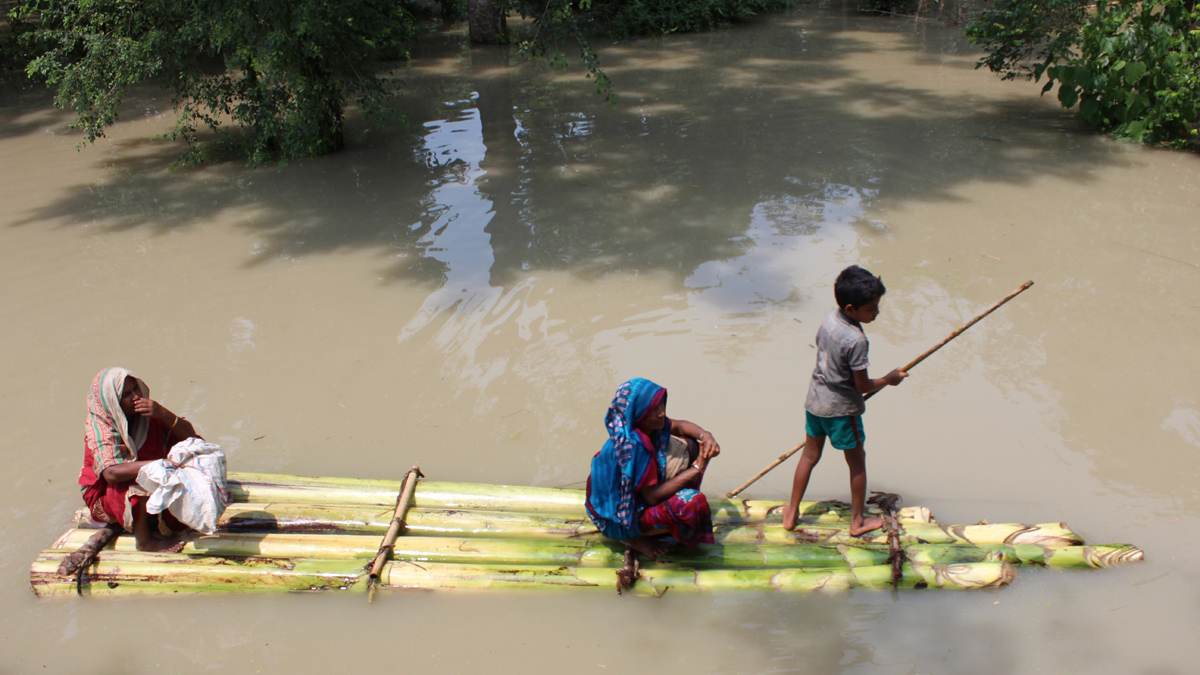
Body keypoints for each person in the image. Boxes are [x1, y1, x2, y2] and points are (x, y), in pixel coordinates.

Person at [782, 266, 907, 536]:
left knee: (809, 455)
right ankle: (858, 522)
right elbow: (862, 386)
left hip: (815, 401)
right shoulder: (857, 340)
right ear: (851, 308)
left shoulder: (830, 319)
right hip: (841, 410)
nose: (877, 312)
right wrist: (889, 378)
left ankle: (791, 512)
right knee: (857, 462)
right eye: (872, 308)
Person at [586, 378, 721, 559]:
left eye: (661, 405)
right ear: (639, 414)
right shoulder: (635, 449)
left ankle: (662, 520)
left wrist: (706, 436)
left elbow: (680, 426)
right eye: (654, 409)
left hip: (625, 498)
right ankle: (632, 537)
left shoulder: (640, 427)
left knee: (690, 446)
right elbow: (653, 496)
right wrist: (697, 467)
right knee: (692, 503)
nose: (661, 413)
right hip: (614, 521)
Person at [78, 367, 199, 552]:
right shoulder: (101, 428)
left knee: (194, 453)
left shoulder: (147, 415)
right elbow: (110, 473)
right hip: (109, 493)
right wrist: (159, 465)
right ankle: (145, 541)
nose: (136, 397)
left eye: (136, 389)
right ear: (113, 400)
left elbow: (191, 437)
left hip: (149, 482)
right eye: (127, 394)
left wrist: (164, 414)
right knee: (141, 478)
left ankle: (156, 514)